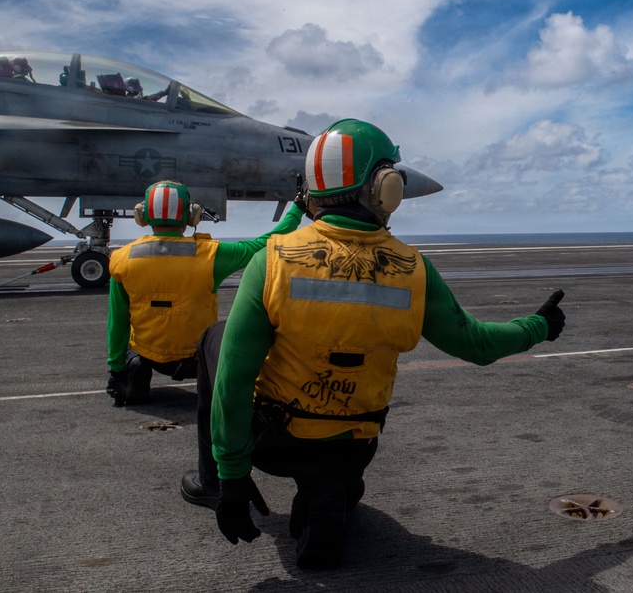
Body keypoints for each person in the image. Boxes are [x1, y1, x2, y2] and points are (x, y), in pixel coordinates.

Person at [179, 119, 567, 569]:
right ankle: (333, 487)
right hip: (355, 442)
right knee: (343, 476)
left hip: (275, 443)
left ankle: (216, 483)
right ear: (385, 188)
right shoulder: (415, 270)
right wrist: (538, 325)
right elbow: (477, 344)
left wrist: (232, 477)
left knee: (216, 340)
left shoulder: (272, 262)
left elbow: (233, 381)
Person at [105, 180, 304, 407]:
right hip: (197, 358)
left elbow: (117, 322)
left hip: (149, 354)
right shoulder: (211, 255)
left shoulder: (121, 259)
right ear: (192, 216)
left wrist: (116, 371)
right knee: (223, 331)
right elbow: (266, 243)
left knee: (132, 345)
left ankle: (134, 371)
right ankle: (215, 383)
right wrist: (297, 209)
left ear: (142, 215)